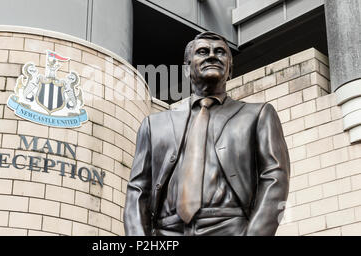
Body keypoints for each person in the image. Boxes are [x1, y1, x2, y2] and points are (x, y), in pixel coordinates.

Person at [124, 31, 290, 236]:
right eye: (203, 51)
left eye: (220, 52)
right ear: (186, 69)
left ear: (230, 69)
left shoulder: (258, 115)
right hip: (166, 232)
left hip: (229, 227)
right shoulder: (154, 125)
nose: (212, 55)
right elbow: (138, 191)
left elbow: (275, 177)